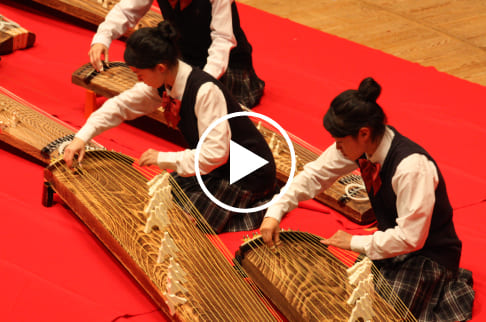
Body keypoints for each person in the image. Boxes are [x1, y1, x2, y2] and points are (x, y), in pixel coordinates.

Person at [260, 77, 475, 321]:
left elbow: (411, 238)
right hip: (390, 243)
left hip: (429, 255)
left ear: (363, 133)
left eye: (339, 142)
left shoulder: (411, 168)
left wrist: (354, 241)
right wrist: (275, 211)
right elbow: (314, 176)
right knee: (348, 299)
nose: (336, 148)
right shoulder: (362, 147)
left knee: (380, 313)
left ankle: (445, 285)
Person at [64, 21, 277, 233]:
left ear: (160, 68)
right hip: (218, 166)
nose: (139, 80)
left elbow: (216, 154)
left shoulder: (205, 91)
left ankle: (265, 202)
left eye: (140, 75)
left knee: (184, 221)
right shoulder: (165, 82)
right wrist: (82, 137)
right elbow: (120, 106)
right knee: (161, 196)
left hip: (247, 173)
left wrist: (162, 158)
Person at [89, 0, 265, 108]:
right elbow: (127, 10)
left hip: (227, 63)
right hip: (183, 56)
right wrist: (102, 37)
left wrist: (200, 81)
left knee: (206, 103)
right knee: (152, 73)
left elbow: (223, 40)